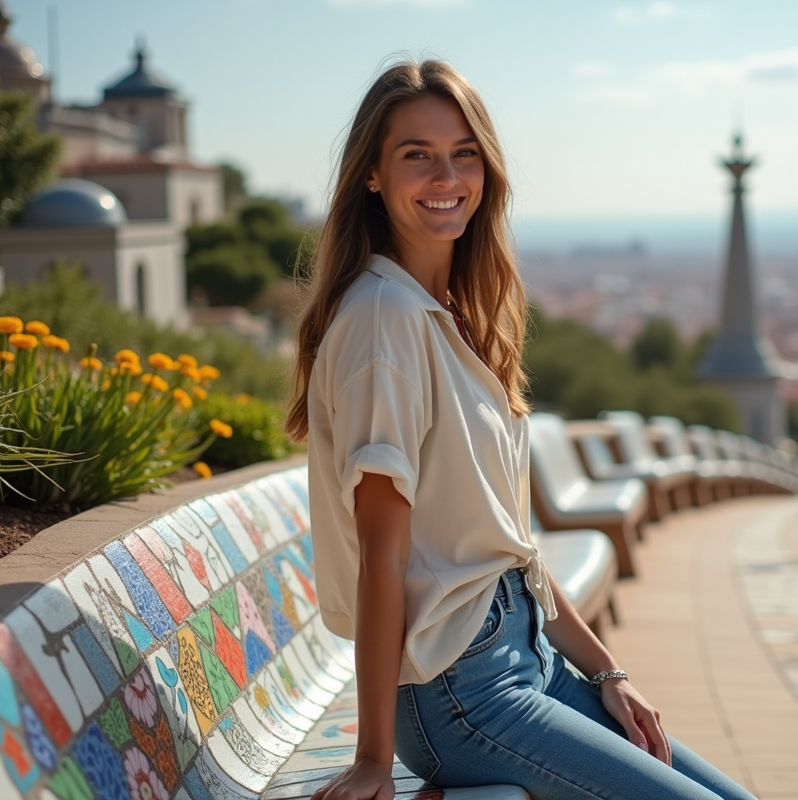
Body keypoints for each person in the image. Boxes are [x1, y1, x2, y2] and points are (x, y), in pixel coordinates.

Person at [286, 58, 757, 800]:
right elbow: (383, 554)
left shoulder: (451, 319)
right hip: (461, 698)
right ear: (371, 175)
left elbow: (512, 551)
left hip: (526, 657)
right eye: (417, 155)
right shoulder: (385, 322)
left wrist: (607, 672)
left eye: (463, 153)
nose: (447, 176)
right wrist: (374, 757)